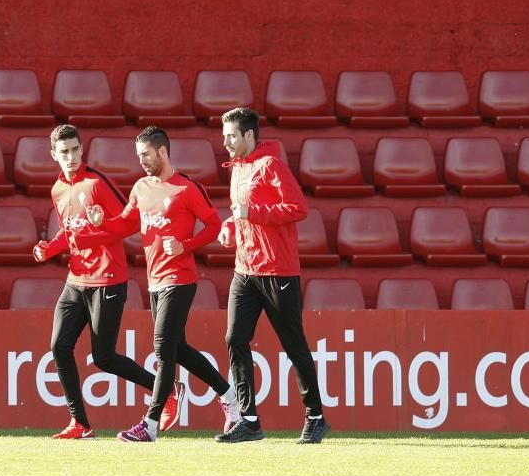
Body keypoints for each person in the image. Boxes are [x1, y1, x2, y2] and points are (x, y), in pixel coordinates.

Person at [77, 126, 241, 442]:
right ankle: (230, 397)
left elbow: (213, 226)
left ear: (162, 152)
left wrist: (186, 245)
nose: (142, 162)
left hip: (180, 279)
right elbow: (126, 223)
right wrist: (102, 223)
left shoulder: (186, 188)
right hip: (155, 281)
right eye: (139, 156)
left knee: (163, 348)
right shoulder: (141, 187)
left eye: (145, 155)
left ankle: (150, 424)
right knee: (177, 349)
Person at [32, 124, 176, 439]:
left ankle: (163, 389)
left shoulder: (96, 183)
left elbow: (129, 224)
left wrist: (95, 229)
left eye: (74, 150)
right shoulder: (58, 189)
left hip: (107, 279)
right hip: (76, 279)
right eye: (63, 152)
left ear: (81, 150)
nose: (69, 157)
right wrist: (49, 248)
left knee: (104, 357)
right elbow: (69, 232)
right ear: (54, 155)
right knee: (59, 345)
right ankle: (80, 424)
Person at [215, 107, 330, 444]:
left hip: (277, 269)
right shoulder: (237, 169)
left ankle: (315, 415)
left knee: (294, 346)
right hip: (244, 269)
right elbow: (241, 212)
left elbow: (298, 208)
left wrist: (254, 213)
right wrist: (229, 225)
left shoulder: (271, 165)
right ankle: (248, 419)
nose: (226, 142)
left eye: (231, 136)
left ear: (249, 135)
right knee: (235, 339)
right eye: (224, 136)